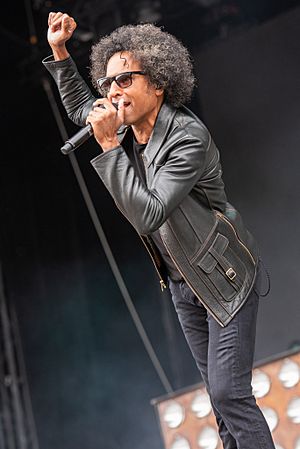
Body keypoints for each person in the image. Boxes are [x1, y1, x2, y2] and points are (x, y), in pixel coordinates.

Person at [43, 12, 275, 449]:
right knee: (218, 402)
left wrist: (110, 146)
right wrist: (59, 52)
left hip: (224, 276)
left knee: (230, 393)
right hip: (183, 281)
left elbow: (149, 214)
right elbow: (80, 109)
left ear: (158, 83)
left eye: (125, 79)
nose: (114, 92)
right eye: (108, 84)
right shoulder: (133, 125)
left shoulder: (187, 136)